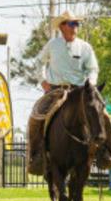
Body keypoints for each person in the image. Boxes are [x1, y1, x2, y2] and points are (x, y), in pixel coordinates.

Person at [27, 10, 102, 175]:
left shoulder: (85, 47)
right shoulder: (52, 45)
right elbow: (39, 62)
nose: (75, 27)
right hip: (55, 90)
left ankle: (105, 154)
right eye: (71, 23)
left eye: (77, 23)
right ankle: (36, 156)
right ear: (62, 26)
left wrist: (91, 84)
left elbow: (93, 68)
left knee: (101, 115)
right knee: (35, 116)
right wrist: (43, 82)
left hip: (80, 91)